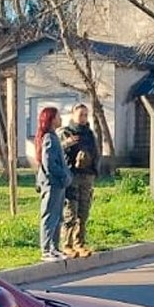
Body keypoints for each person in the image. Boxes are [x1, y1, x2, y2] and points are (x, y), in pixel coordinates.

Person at [60, 103, 101, 258]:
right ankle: (67, 244)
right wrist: (67, 144)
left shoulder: (89, 134)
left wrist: (95, 169)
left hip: (87, 175)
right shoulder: (66, 133)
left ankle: (80, 243)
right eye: (80, 114)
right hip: (72, 176)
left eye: (85, 114)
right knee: (71, 210)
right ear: (73, 115)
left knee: (83, 211)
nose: (83, 118)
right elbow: (57, 150)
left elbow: (96, 152)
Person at [34, 106, 72, 262]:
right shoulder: (49, 137)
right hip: (52, 183)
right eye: (58, 116)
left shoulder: (55, 136)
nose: (60, 119)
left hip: (59, 184)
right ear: (51, 119)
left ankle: (54, 248)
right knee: (49, 216)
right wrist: (63, 175)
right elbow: (48, 163)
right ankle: (46, 250)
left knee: (58, 216)